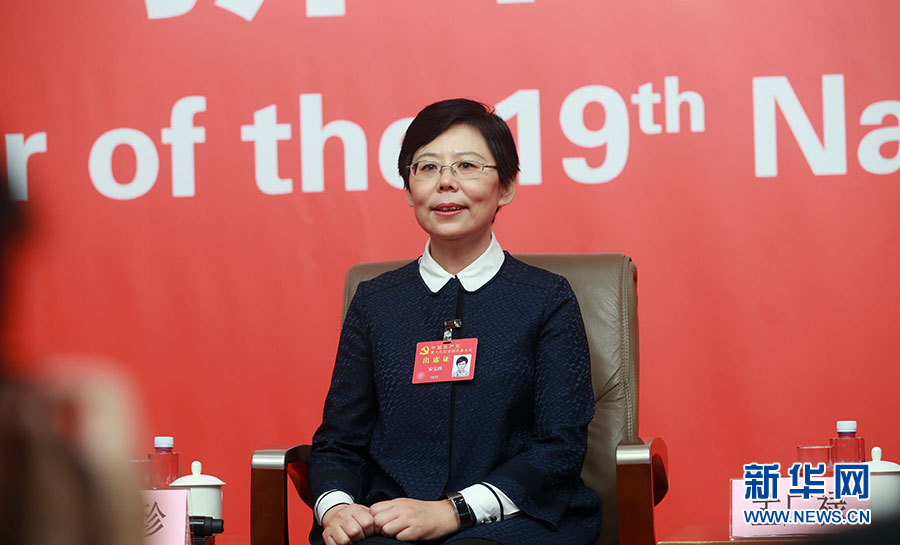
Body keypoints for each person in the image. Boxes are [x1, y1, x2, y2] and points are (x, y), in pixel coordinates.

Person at [306, 99, 601, 545]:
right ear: (409, 190)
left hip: (515, 517)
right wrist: (336, 508)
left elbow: (560, 446)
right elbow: (339, 443)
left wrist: (454, 510)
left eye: (466, 165)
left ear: (506, 186)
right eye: (427, 167)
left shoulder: (546, 298)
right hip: (391, 518)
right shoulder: (376, 302)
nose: (446, 182)